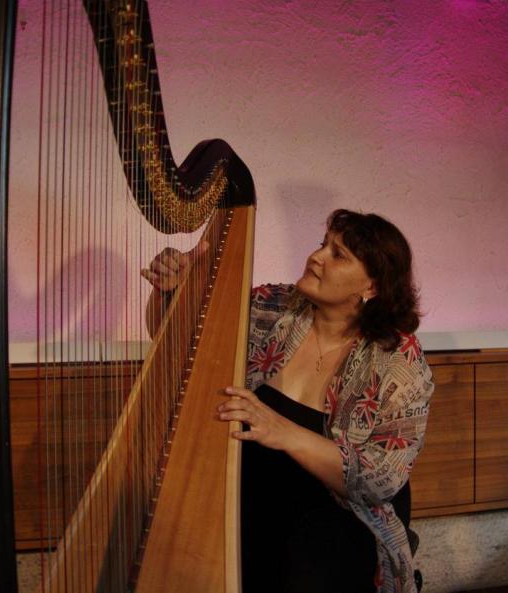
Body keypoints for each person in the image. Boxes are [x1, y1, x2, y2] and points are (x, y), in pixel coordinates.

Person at [141, 209, 434, 593]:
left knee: (309, 567)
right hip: (247, 493)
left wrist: (282, 431)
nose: (317, 257)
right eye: (322, 244)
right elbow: (181, 342)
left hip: (338, 514)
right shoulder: (272, 307)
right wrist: (172, 294)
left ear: (372, 288)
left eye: (338, 254)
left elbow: (380, 481)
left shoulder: (399, 360)